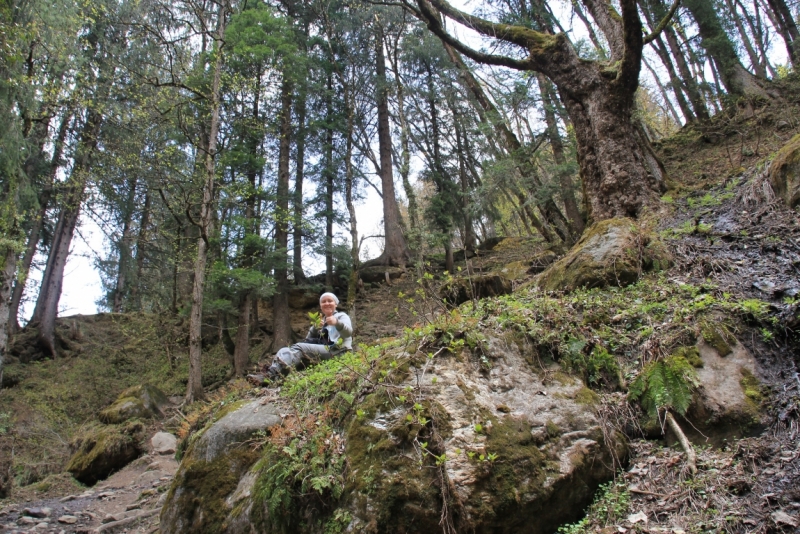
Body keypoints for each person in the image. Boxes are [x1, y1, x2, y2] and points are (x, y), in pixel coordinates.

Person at [259, 292, 353, 382]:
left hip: (339, 351)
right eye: (323, 302)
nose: (326, 303)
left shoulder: (342, 316)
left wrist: (337, 323)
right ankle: (271, 377)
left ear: (336, 304)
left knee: (299, 348)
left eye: (330, 301)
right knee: (284, 350)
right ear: (320, 306)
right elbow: (307, 341)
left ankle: (270, 376)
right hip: (325, 351)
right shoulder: (321, 320)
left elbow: (348, 333)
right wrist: (315, 328)